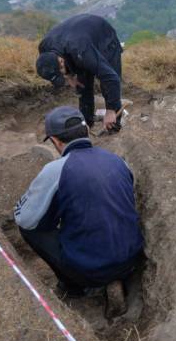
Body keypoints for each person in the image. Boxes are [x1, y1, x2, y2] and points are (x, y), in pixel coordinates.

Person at [14, 106, 144, 317]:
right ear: (86, 131)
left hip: (90, 269)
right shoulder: (117, 160)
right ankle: (115, 278)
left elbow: (26, 219)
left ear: (56, 141)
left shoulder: (56, 170)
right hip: (131, 260)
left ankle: (75, 287)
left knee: (31, 229)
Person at [36, 14, 124, 130]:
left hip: (103, 35)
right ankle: (87, 123)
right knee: (82, 85)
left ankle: (113, 124)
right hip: (77, 37)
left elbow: (112, 79)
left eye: (60, 73)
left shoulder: (81, 51)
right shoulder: (45, 48)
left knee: (107, 78)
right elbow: (65, 65)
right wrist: (69, 76)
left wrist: (111, 110)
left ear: (61, 61)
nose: (62, 77)